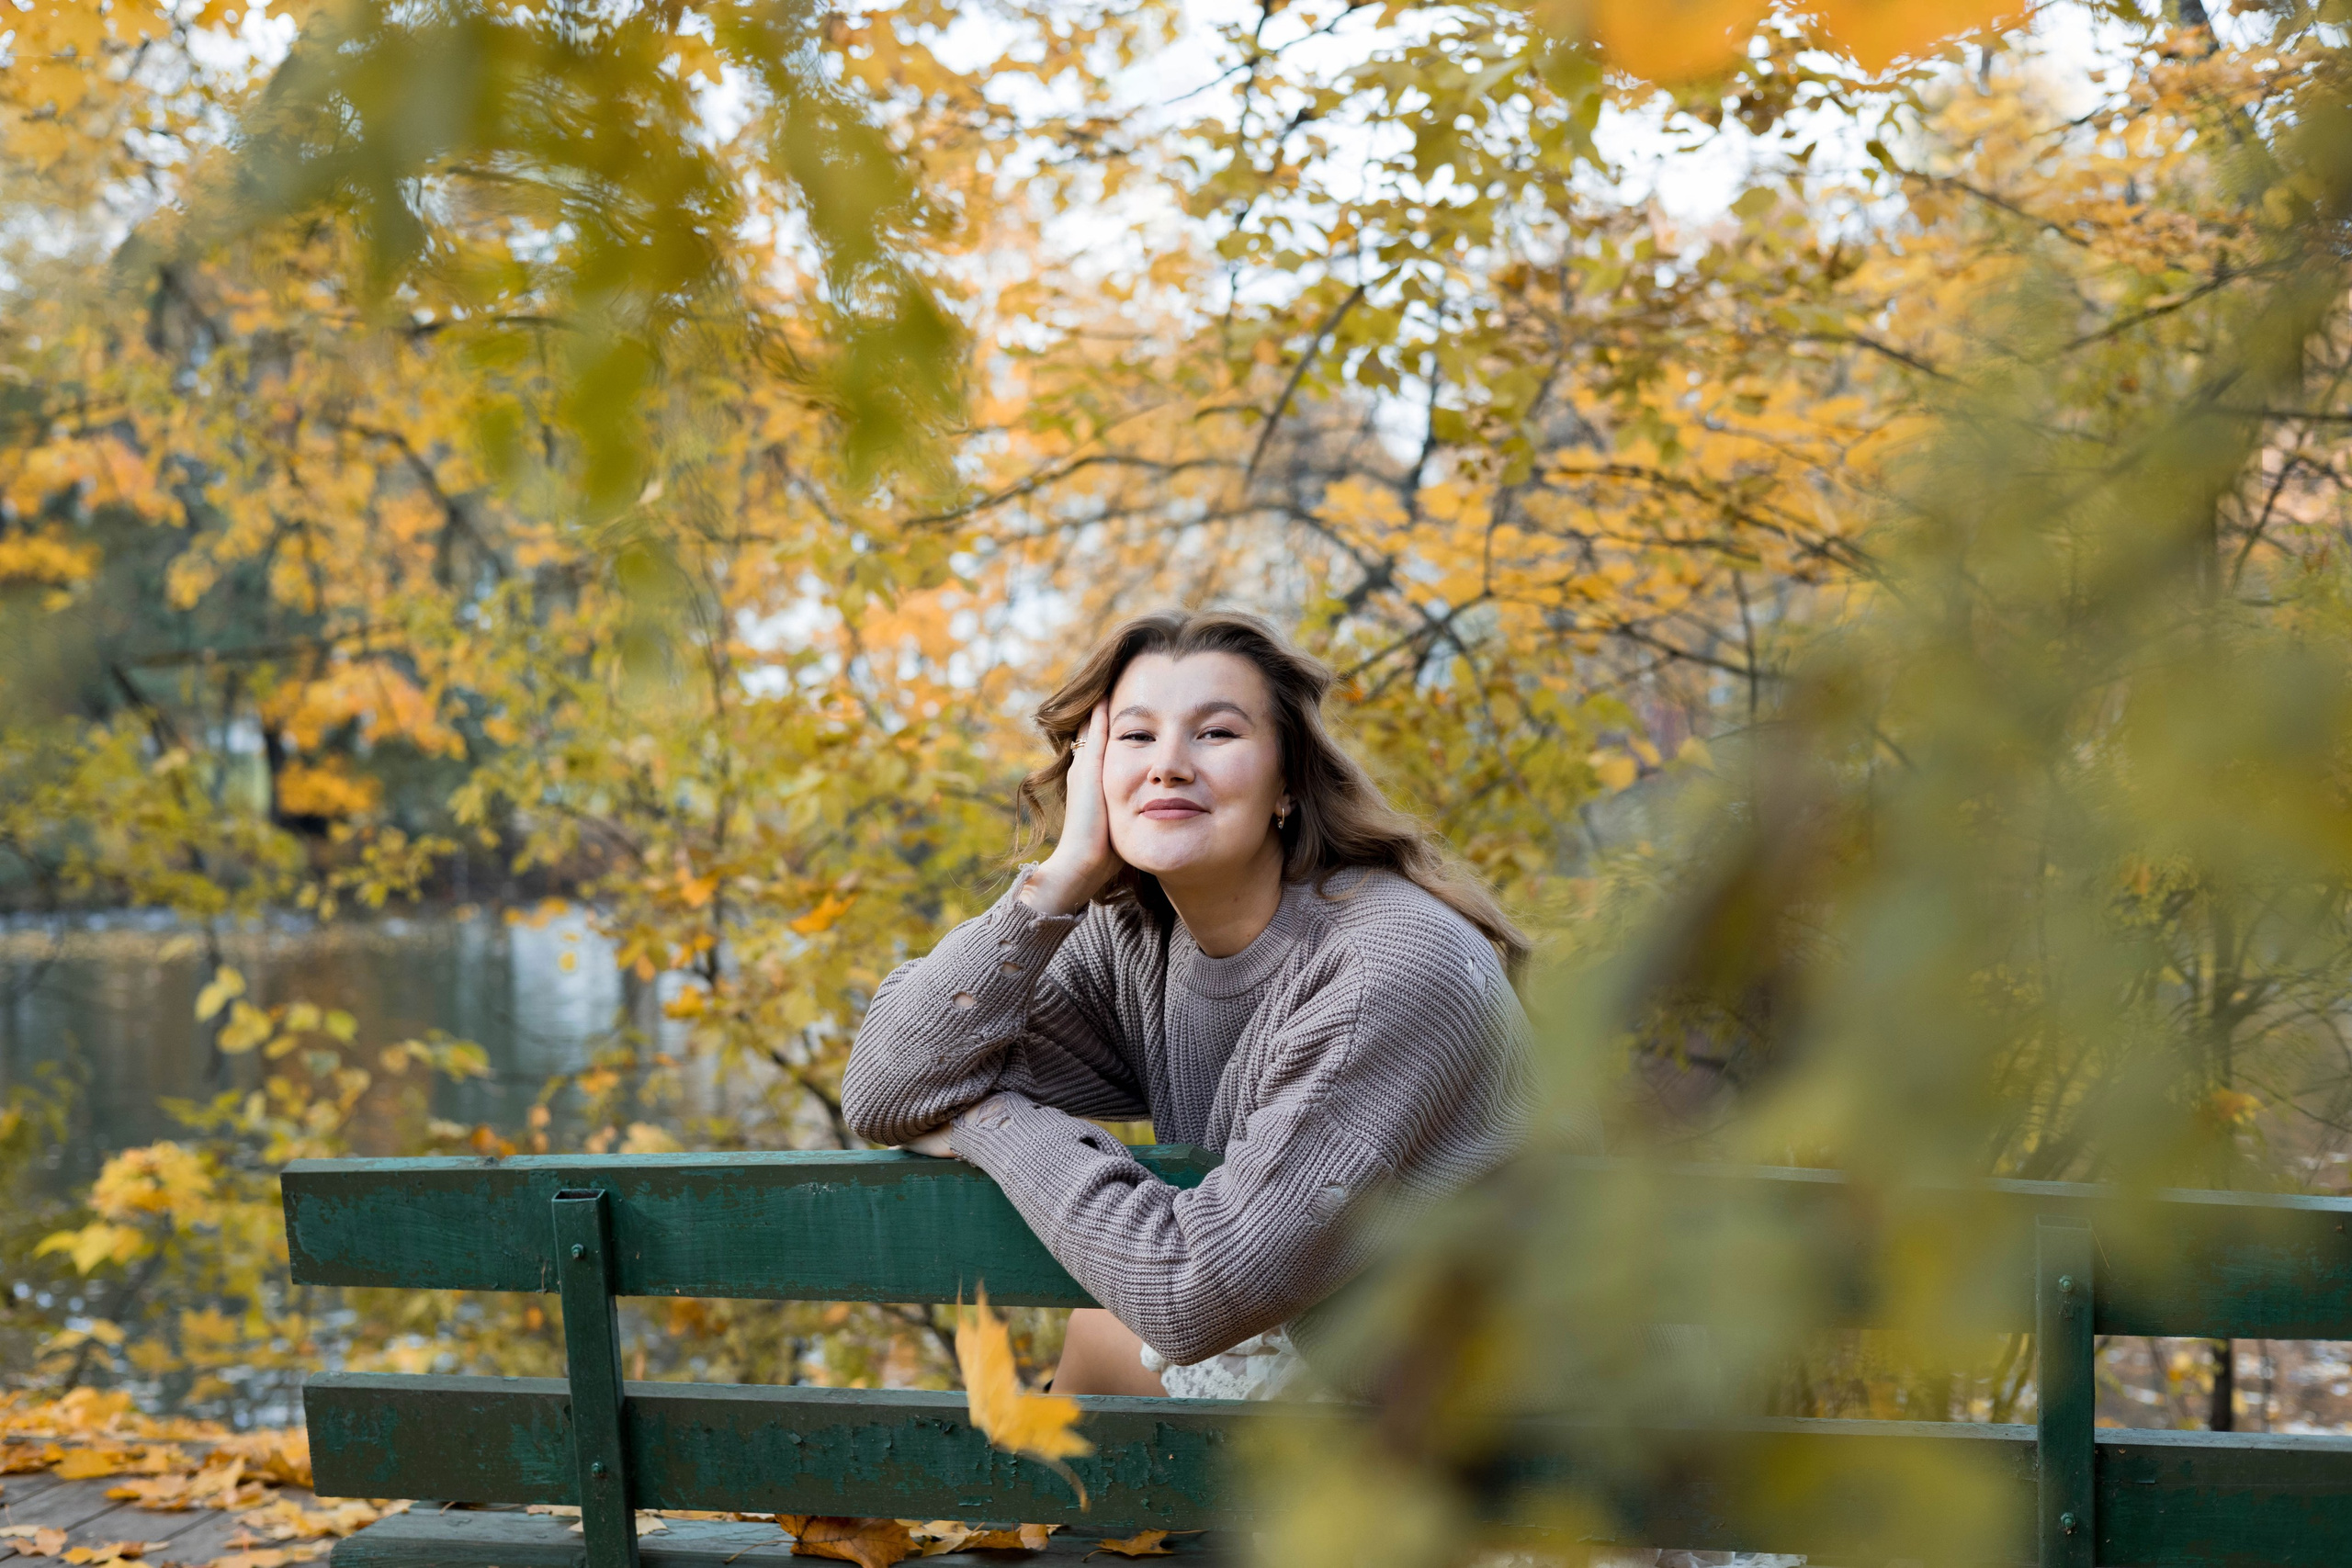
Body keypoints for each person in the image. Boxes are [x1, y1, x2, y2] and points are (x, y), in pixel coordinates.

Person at [840, 610, 1532, 1398]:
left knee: (1106, 1342)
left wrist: (987, 1123)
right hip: (1360, 1380)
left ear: (1288, 783)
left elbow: (1191, 1296)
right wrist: (1060, 879)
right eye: (1134, 738)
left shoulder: (1386, 963)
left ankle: (1037, 1524)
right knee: (1098, 1339)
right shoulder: (1135, 939)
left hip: (1506, 1416)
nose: (1168, 765)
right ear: (1090, 772)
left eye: (1217, 733)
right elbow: (885, 1087)